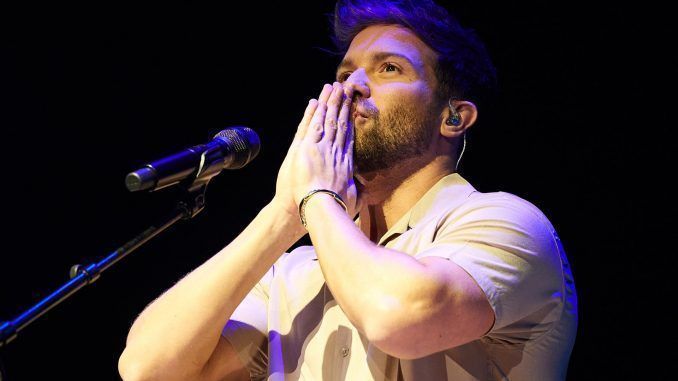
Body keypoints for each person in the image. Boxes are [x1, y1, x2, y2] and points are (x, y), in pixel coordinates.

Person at [118, 0, 578, 380]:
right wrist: (283, 214)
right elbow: (148, 370)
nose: (352, 86)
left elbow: (395, 318)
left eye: (389, 69)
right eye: (344, 75)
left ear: (453, 117)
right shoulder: (294, 272)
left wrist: (317, 197)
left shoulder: (505, 222)